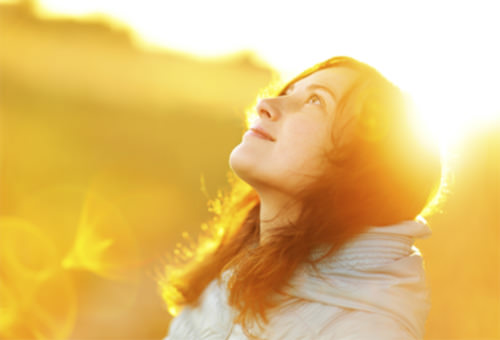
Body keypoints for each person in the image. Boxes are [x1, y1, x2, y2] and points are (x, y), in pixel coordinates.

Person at [159, 56, 442, 340]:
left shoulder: (369, 332)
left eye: (316, 101)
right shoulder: (233, 270)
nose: (265, 105)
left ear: (361, 169)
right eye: (289, 92)